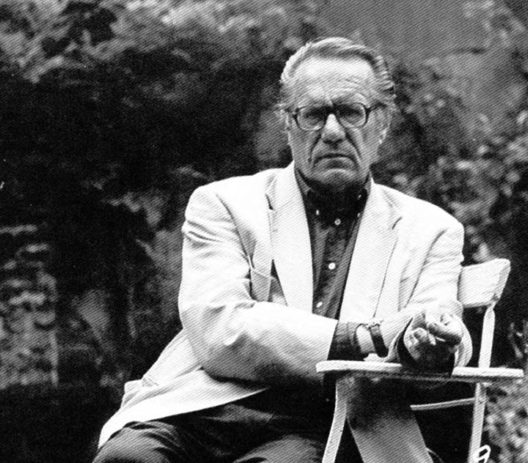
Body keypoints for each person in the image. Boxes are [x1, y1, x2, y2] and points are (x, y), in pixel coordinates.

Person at [94, 37, 472, 463]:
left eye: (352, 112)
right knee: (126, 458)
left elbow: (438, 322)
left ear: (381, 124)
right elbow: (220, 329)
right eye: (313, 114)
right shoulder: (224, 204)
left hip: (328, 420)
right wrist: (367, 336)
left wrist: (427, 346)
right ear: (288, 125)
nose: (333, 132)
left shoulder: (431, 230)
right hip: (203, 406)